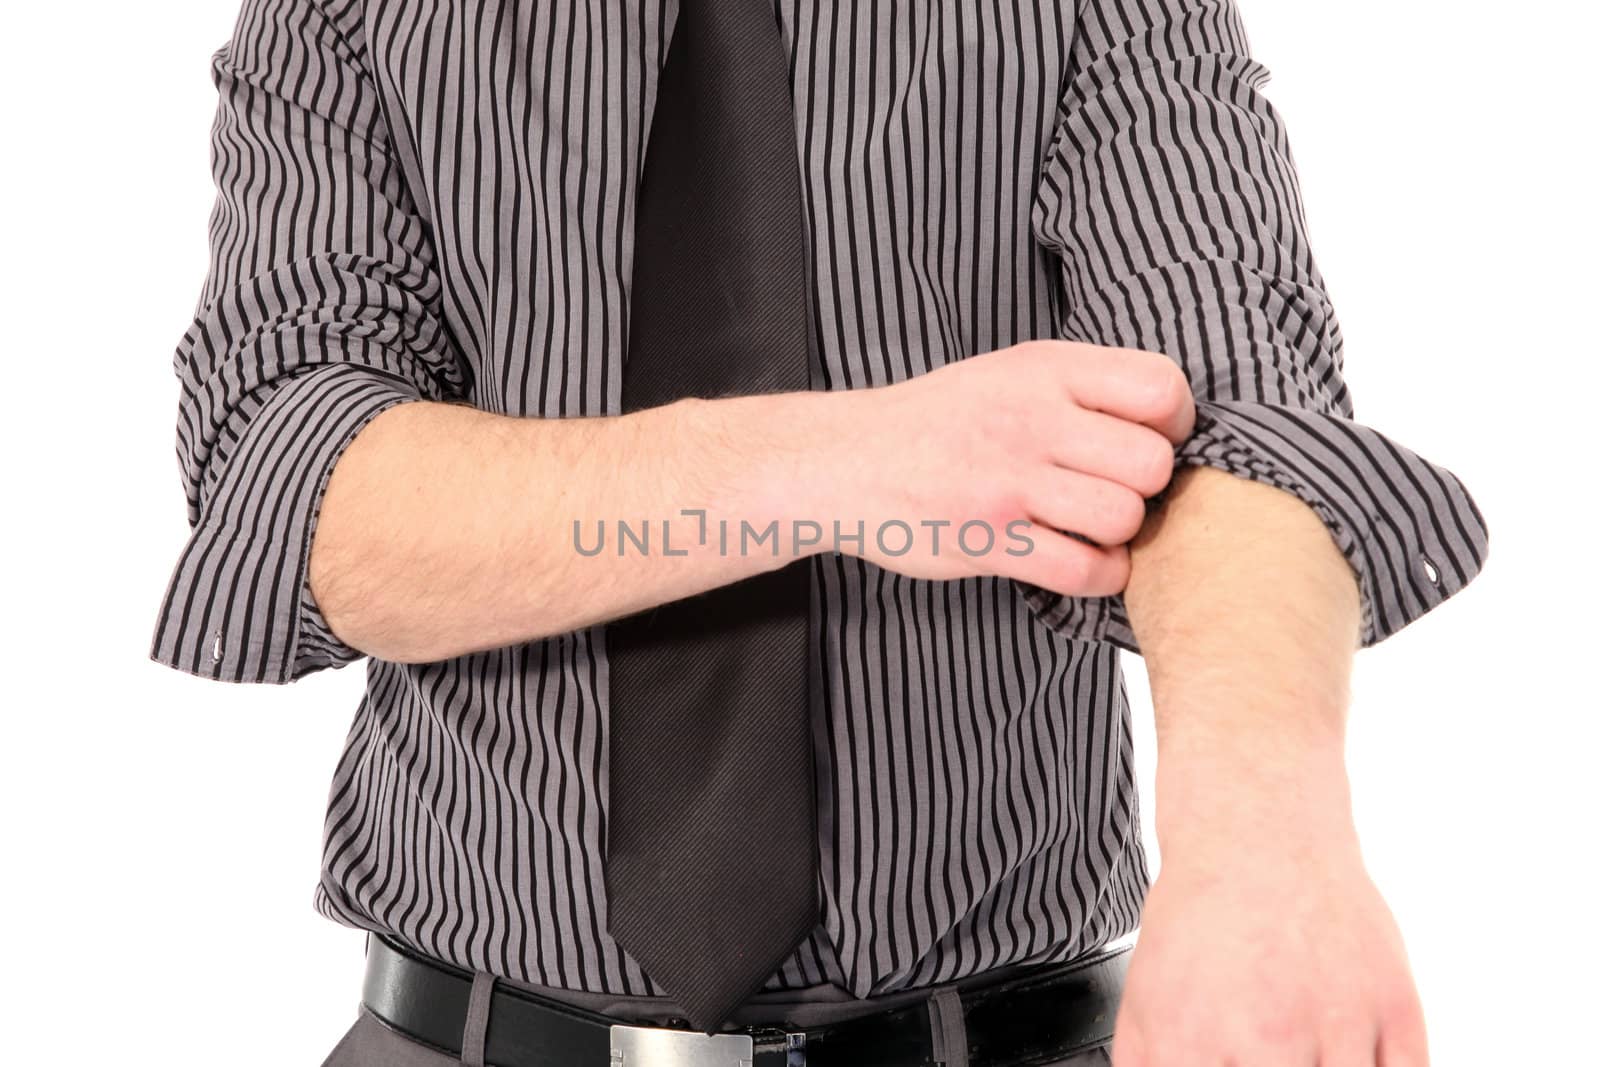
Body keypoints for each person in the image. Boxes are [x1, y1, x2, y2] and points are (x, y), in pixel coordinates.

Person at [149, 0, 1489, 1063]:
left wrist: (1263, 855)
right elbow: (293, 486)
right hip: (460, 1040)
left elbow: (1232, 430)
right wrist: (838, 463)